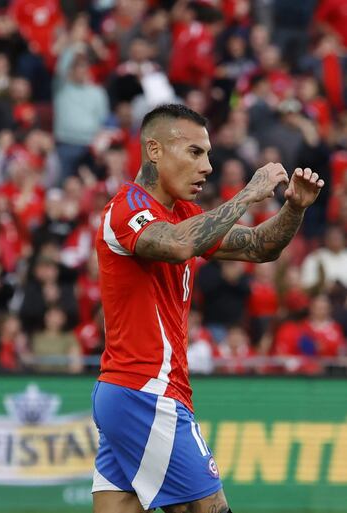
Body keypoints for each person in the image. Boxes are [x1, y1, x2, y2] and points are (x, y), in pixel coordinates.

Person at [93, 103, 324, 513]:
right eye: (195, 152)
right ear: (155, 150)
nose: (208, 167)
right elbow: (179, 244)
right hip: (147, 388)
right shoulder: (126, 208)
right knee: (209, 508)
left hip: (130, 390)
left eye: (209, 154)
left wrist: (294, 208)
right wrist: (250, 193)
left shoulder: (183, 213)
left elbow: (259, 247)